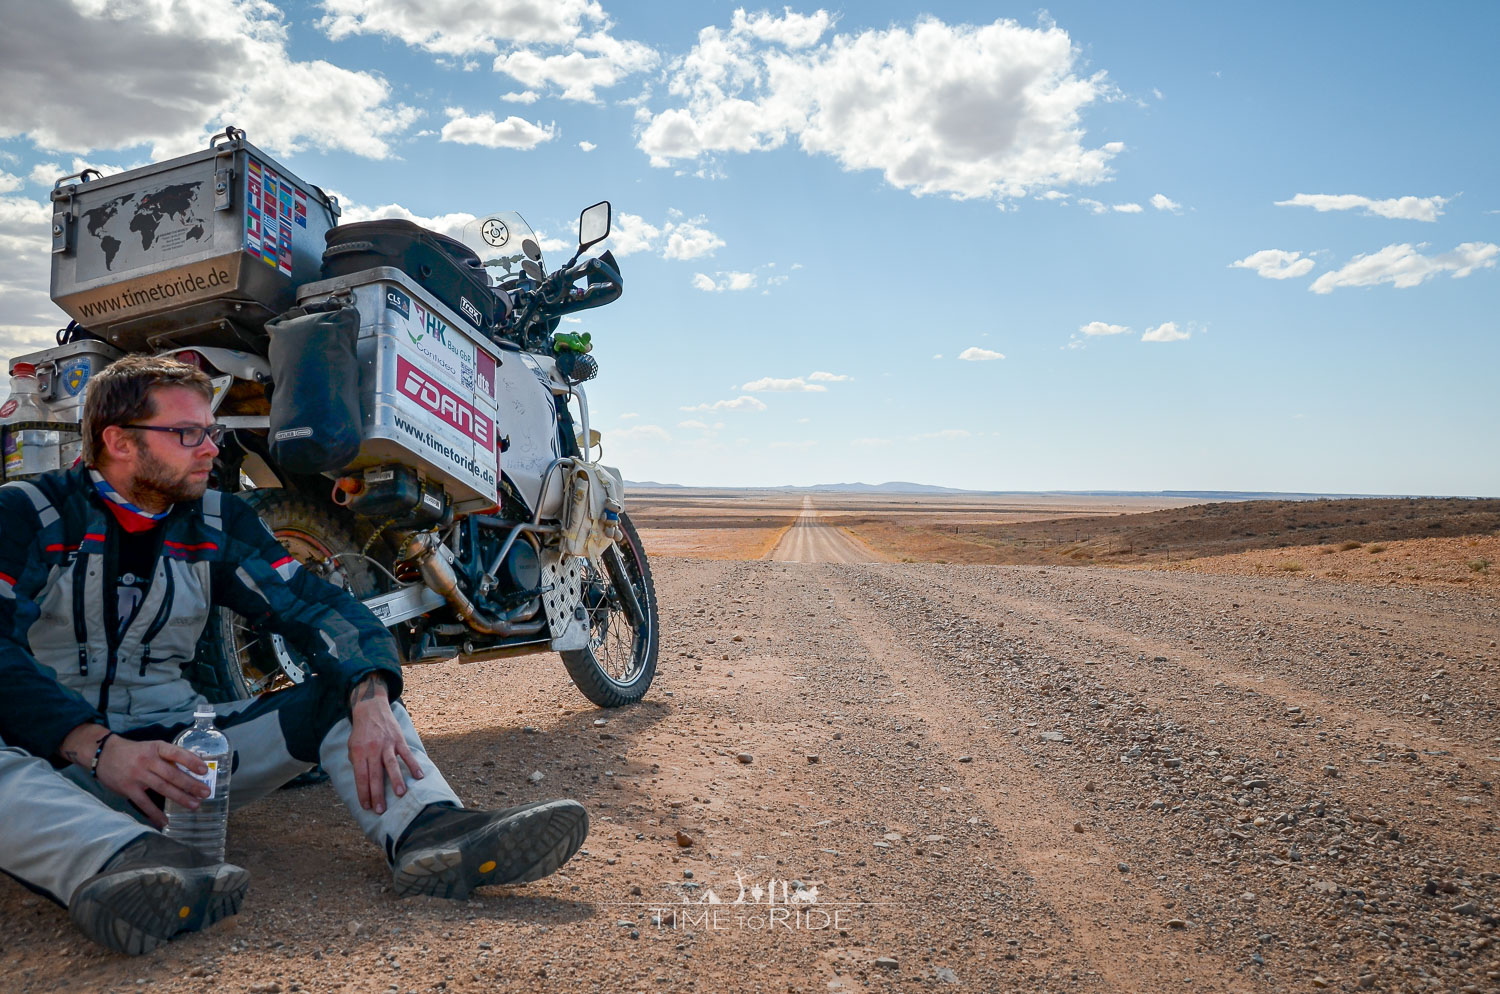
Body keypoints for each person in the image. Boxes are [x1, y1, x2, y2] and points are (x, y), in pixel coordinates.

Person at [0, 354, 588, 952]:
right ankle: (122, 862)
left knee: (346, 691)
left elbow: (316, 606)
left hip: (180, 765)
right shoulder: (28, 514)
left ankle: (429, 828)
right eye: (188, 434)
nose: (210, 448)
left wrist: (370, 699)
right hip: (56, 762)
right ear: (118, 441)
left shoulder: (216, 520)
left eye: (212, 432)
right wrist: (96, 748)